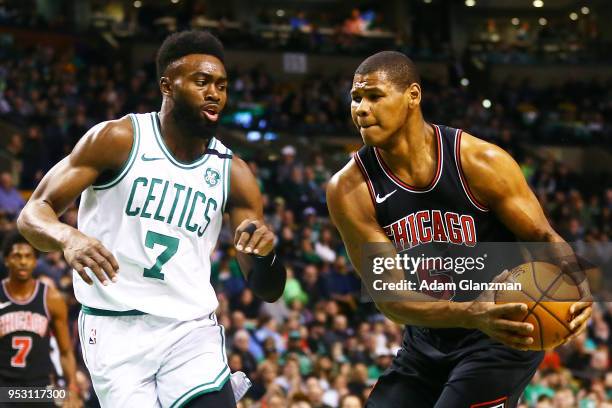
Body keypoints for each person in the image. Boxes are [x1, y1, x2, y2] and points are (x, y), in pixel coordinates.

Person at [17, 30, 286, 407]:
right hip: (113, 326)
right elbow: (34, 212)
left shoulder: (234, 173)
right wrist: (69, 238)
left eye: (222, 86)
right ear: (167, 86)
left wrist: (267, 255)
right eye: (202, 82)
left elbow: (266, 288)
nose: (215, 93)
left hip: (189, 329)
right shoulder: (118, 139)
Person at [326, 51, 592, 407]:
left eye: (374, 96)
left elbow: (543, 237)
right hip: (426, 339)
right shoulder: (349, 188)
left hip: (503, 330)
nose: (361, 108)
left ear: (412, 96)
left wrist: (579, 284)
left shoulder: (480, 161)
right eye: (356, 98)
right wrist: (470, 314)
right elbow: (391, 297)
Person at [0, 232, 81, 408]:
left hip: (40, 387)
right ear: (6, 260)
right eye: (17, 256)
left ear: (35, 261)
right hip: (4, 388)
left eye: (28, 256)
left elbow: (66, 351)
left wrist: (73, 389)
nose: (23, 261)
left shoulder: (51, 298)